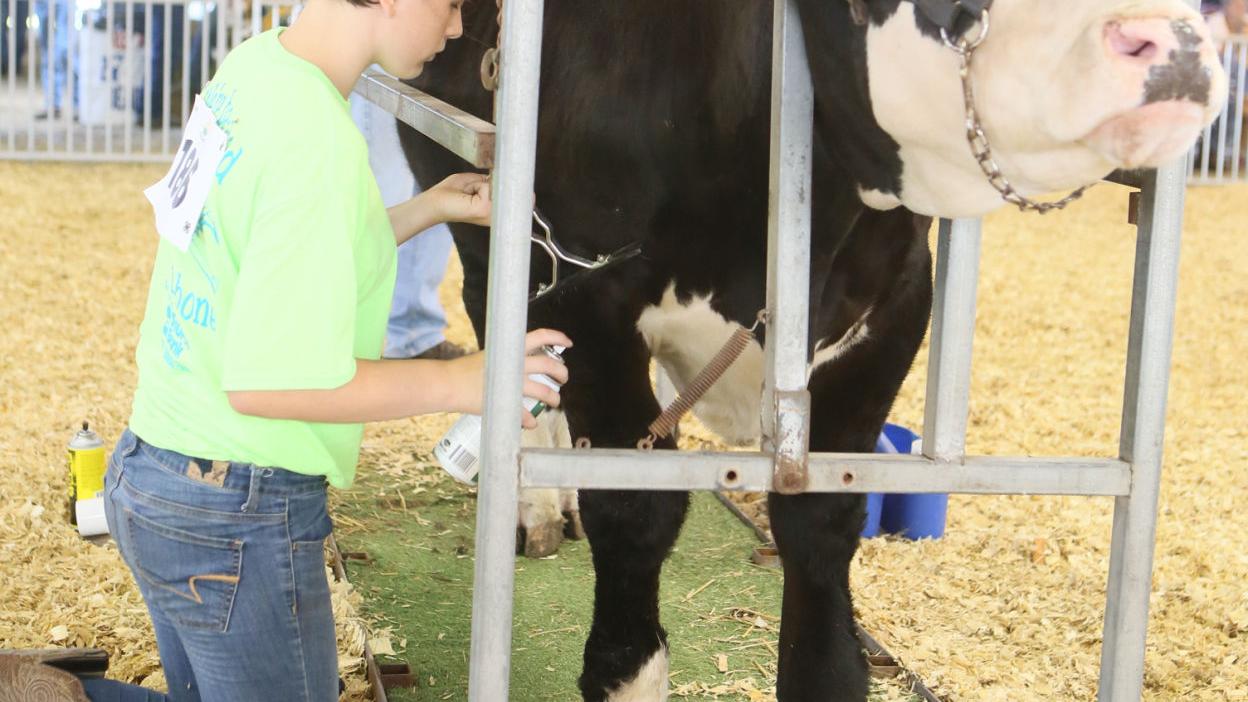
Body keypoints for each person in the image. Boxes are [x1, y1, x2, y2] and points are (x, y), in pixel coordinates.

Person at [95, 0, 571, 699]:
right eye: (448, 4)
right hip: (236, 510)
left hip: (156, 471)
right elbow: (270, 385)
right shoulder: (317, 140)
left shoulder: (258, 65)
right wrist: (469, 381)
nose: (456, 28)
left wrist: (428, 206)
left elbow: (277, 248)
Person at [350, 87, 466, 361]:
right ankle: (356, 342)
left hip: (434, 69)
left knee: (427, 179)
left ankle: (414, 333)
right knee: (384, 192)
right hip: (388, 68)